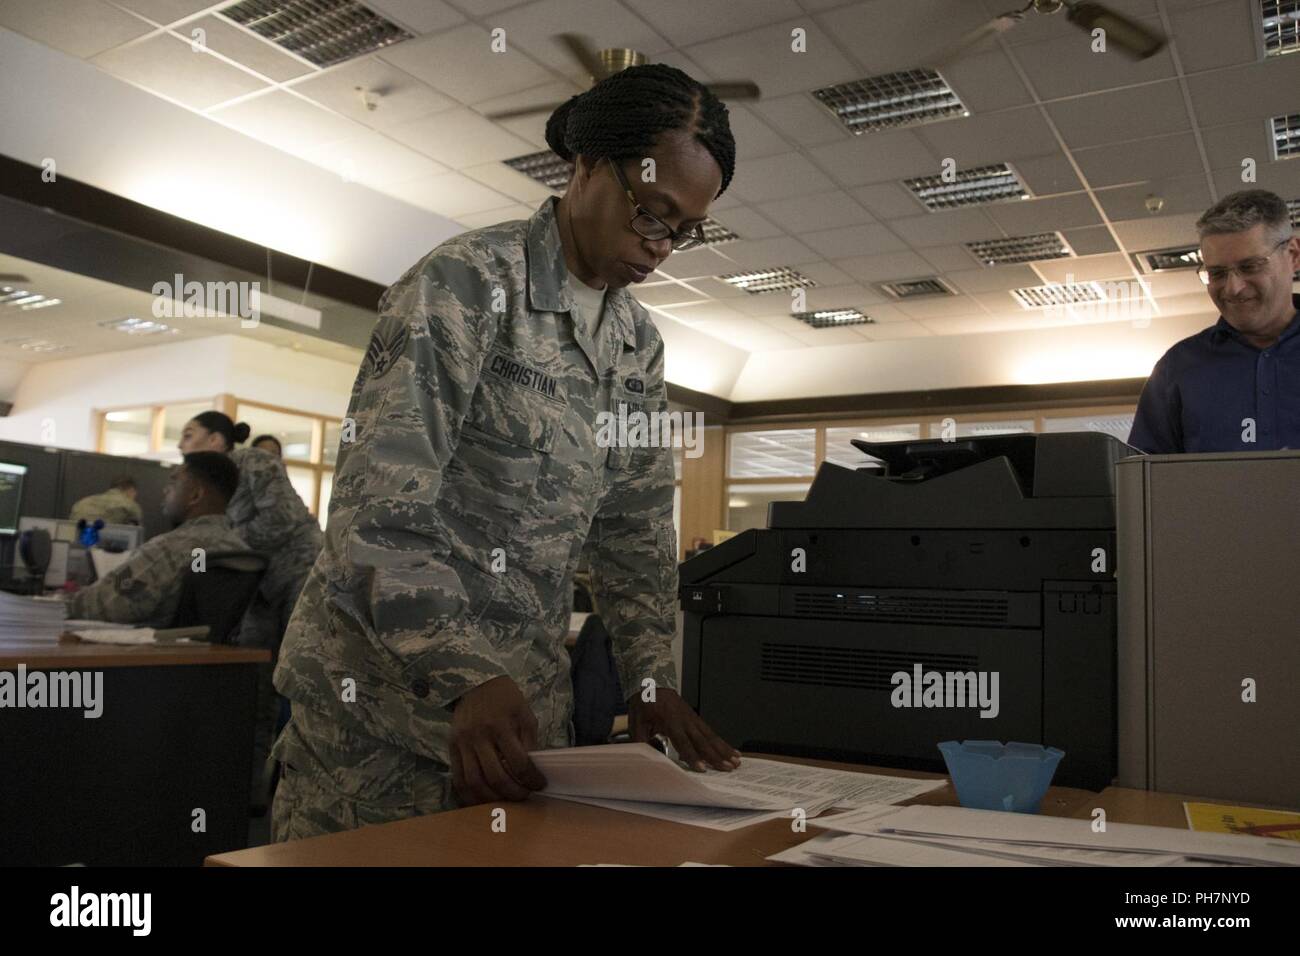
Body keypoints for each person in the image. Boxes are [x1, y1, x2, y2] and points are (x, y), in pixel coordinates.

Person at [271, 63, 741, 841]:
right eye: (652, 213)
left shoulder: (637, 344)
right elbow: (376, 510)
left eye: (684, 231)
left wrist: (650, 677)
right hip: (379, 720)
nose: (660, 247)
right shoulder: (464, 283)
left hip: (517, 729)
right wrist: (465, 675)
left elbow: (632, 533)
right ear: (586, 163)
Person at [177, 411, 323, 806]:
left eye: (189, 435)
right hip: (257, 590)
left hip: (299, 576)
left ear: (216, 441)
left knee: (302, 684)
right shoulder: (210, 485)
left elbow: (285, 518)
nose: (180, 444)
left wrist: (224, 546)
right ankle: (253, 791)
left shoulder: (253, 462)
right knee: (256, 690)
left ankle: (307, 792)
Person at [1129, 189, 1300, 453]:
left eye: (1250, 267)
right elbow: (1145, 482)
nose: (1233, 288)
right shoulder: (1176, 368)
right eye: (1217, 273)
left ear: (1293, 255)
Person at [65, 453, 245, 627]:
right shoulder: (241, 551)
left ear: (195, 495)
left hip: (156, 652)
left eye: (174, 481)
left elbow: (108, 605)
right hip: (212, 654)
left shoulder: (170, 549)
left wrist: (59, 603)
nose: (165, 489)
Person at [68, 475, 142, 526]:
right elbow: (134, 536)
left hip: (75, 545)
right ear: (131, 490)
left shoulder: (82, 502)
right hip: (106, 545)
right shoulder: (130, 505)